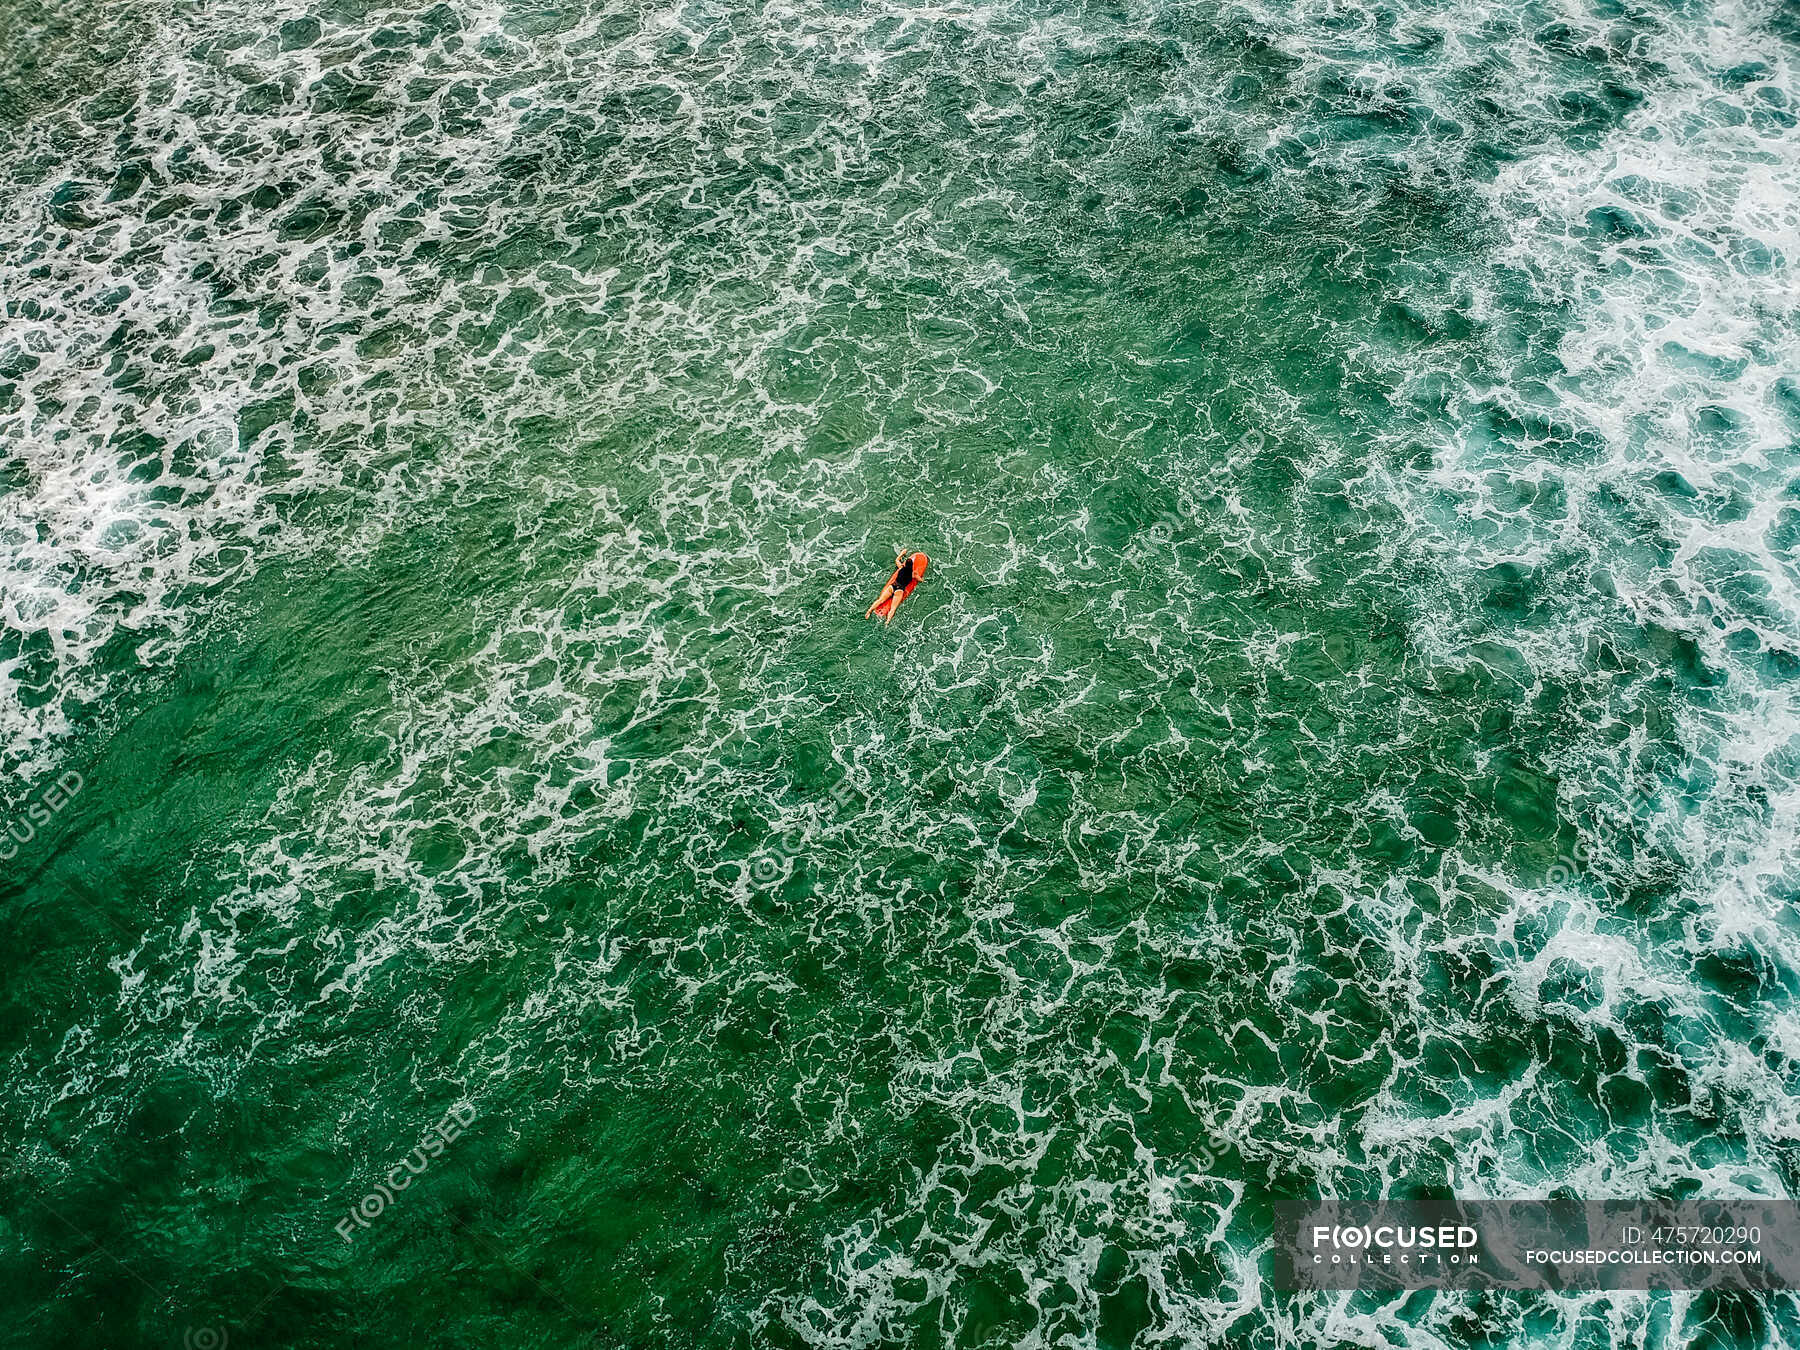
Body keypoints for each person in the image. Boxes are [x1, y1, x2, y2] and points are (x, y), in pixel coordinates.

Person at [865, 549, 929, 624]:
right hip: (899, 590)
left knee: (880, 600)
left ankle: (869, 612)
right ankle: (887, 622)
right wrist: (923, 579)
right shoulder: (913, 574)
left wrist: (902, 553)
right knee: (893, 608)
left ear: (905, 564)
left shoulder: (901, 567)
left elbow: (897, 560)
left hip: (892, 586)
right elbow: (919, 580)